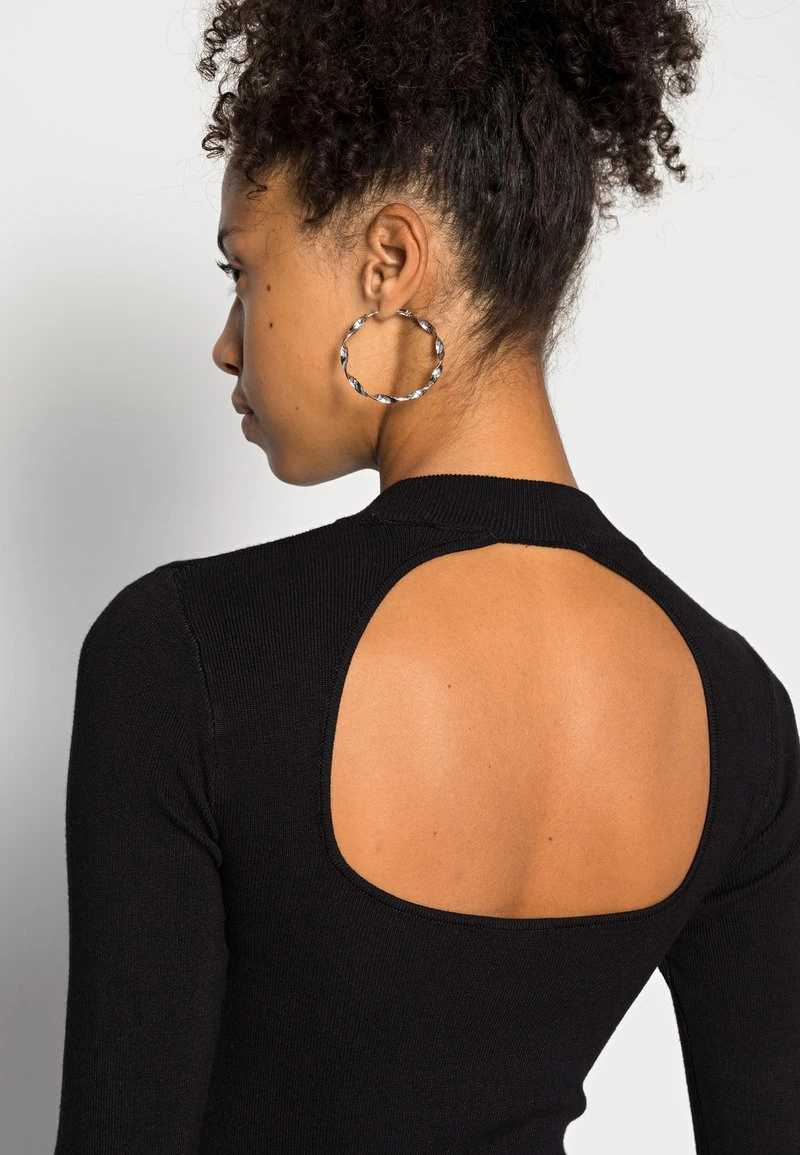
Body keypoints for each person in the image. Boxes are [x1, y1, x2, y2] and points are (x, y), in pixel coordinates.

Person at [53, 2, 799, 1152]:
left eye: (242, 270)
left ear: (389, 261)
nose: (227, 340)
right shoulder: (735, 707)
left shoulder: (184, 654)